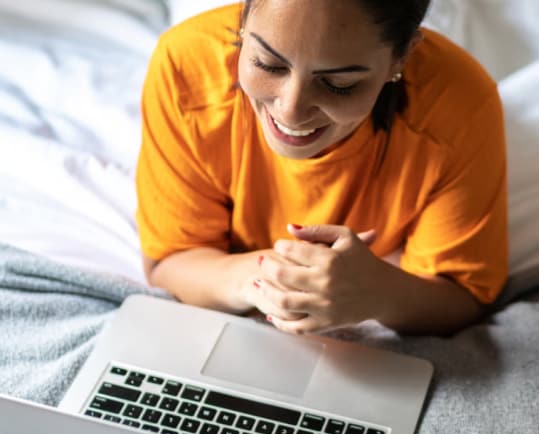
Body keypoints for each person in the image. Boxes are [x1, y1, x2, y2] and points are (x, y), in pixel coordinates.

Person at [135, 0, 508, 335]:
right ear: (244, 18)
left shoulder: (461, 108)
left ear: (401, 59)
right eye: (268, 64)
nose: (290, 111)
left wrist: (378, 293)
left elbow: (463, 295)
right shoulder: (185, 66)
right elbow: (170, 262)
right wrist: (272, 277)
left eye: (339, 84)